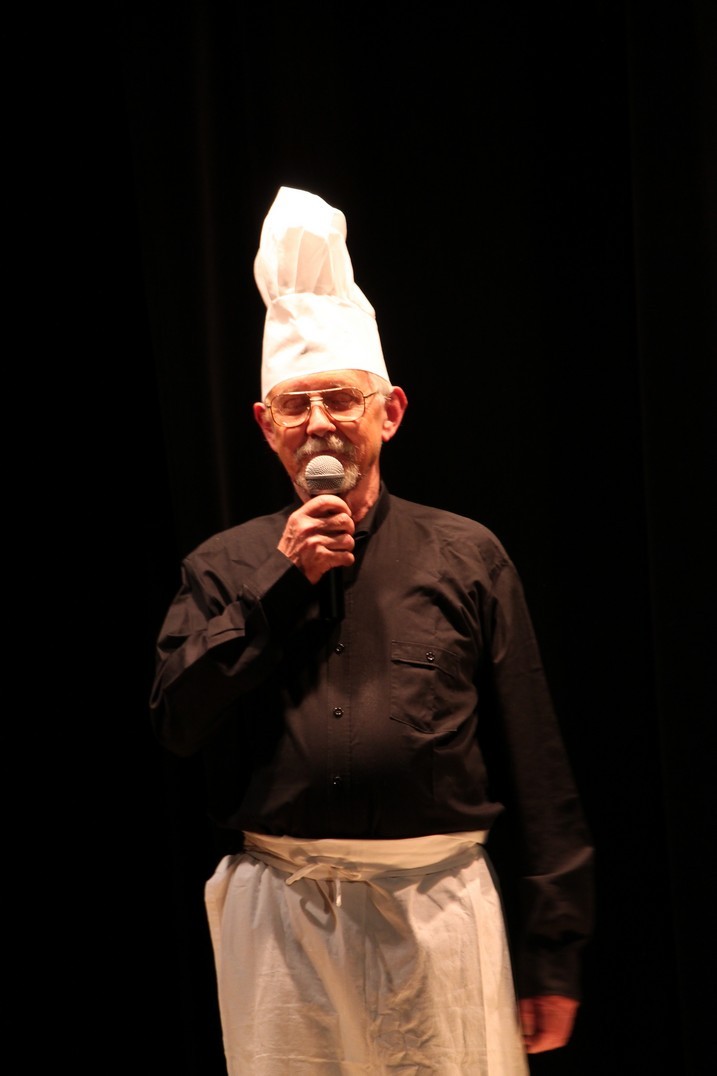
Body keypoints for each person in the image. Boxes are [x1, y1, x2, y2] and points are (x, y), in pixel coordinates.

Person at [150, 185, 595, 1074]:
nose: (319, 423)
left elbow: (535, 762)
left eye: (341, 401)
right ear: (266, 427)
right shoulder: (224, 566)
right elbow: (177, 721)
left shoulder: (466, 556)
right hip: (280, 923)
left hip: (438, 913)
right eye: (295, 404)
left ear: (388, 413)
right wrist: (280, 586)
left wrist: (553, 948)